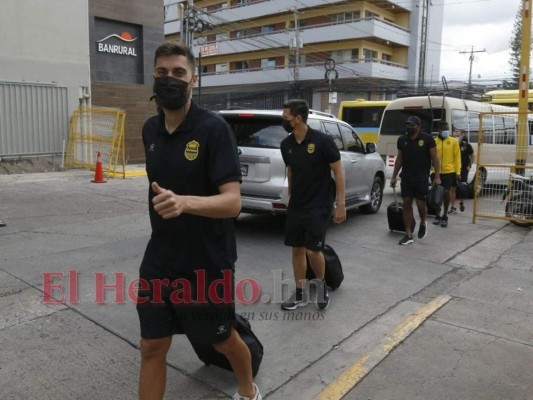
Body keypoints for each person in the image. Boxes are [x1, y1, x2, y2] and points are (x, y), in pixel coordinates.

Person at [136, 41, 261, 400]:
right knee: (151, 345)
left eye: (178, 73)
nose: (169, 80)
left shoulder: (213, 129)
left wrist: (184, 203)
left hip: (207, 261)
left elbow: (233, 202)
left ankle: (247, 389)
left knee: (221, 339)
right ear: (153, 77)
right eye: (161, 73)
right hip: (160, 258)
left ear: (193, 78)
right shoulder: (150, 130)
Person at [279, 99, 346, 311]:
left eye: (286, 117)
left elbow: (338, 171)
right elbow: (291, 170)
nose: (283, 120)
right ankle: (299, 293)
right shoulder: (286, 145)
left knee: (313, 250)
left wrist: (341, 203)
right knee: (297, 249)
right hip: (297, 205)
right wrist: (290, 194)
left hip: (320, 204)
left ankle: (321, 285)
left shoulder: (322, 141)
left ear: (297, 119)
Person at [390, 116, 440, 245]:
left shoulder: (427, 139)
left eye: (412, 125)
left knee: (420, 205)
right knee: (406, 203)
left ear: (418, 126)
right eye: (407, 125)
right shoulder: (402, 140)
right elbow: (400, 159)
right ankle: (408, 234)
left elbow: (434, 158)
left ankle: (423, 222)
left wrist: (437, 176)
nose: (409, 127)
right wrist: (394, 176)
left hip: (421, 178)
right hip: (406, 177)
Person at [431, 121, 461, 227]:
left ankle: (444, 216)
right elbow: (431, 157)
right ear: (439, 129)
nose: (446, 130)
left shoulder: (453, 141)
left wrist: (458, 172)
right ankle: (437, 215)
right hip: (436, 172)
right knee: (436, 195)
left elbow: (457, 157)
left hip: (449, 172)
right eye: (444, 128)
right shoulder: (434, 141)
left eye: (447, 128)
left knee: (446, 193)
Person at [449, 129, 474, 213]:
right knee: (452, 189)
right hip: (452, 169)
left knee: (462, 188)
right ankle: (452, 207)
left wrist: (469, 166)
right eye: (455, 134)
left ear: (462, 136)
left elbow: (472, 155)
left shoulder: (466, 145)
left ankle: (462, 202)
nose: (456, 135)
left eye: (458, 134)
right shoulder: (450, 144)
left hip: (463, 170)